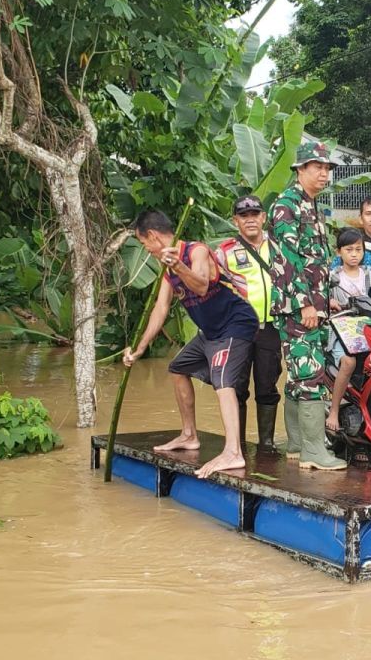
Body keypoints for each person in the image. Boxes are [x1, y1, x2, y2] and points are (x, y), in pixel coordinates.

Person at [123, 210, 259, 478]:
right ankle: (189, 435)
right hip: (209, 331)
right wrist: (140, 348)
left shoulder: (196, 251)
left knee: (223, 381)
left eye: (143, 244)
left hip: (235, 324)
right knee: (178, 368)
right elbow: (160, 309)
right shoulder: (166, 270)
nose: (145, 250)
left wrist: (179, 266)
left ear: (152, 236)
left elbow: (200, 286)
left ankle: (233, 452)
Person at [268, 142, 347, 471]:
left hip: (313, 305)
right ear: (300, 170)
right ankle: (315, 451)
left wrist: (324, 296)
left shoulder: (310, 205)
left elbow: (314, 261)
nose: (324, 173)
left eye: (327, 168)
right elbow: (288, 262)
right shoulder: (286, 206)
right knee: (311, 375)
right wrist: (304, 306)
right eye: (317, 167)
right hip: (300, 309)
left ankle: (298, 445)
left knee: (299, 375)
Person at [215, 194, 281, 452]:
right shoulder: (225, 251)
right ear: (236, 221)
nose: (250, 220)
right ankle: (237, 444)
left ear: (263, 218)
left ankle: (267, 444)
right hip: (238, 330)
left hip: (271, 327)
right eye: (244, 216)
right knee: (237, 386)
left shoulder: (278, 246)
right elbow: (212, 288)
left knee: (268, 384)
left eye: (255, 214)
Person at [325, 228, 371, 433]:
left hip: (369, 329)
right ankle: (333, 410)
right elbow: (318, 297)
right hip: (341, 331)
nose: (355, 254)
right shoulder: (331, 277)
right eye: (349, 249)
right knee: (348, 362)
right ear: (339, 252)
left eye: (359, 249)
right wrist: (328, 301)